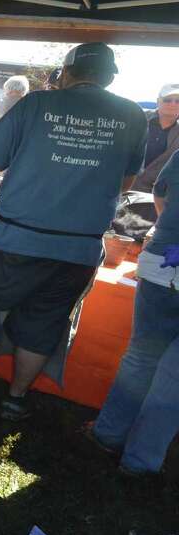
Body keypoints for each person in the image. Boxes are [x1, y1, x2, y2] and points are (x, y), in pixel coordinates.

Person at [0, 43, 147, 420]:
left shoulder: (36, 104)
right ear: (110, 76)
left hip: (17, 238)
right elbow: (126, 180)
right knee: (45, 321)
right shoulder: (133, 115)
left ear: (65, 73)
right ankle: (17, 400)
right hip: (79, 250)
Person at [86, 148, 179, 476]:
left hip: (164, 259)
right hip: (166, 260)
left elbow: (161, 193)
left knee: (142, 356)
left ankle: (108, 434)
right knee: (173, 374)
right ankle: (138, 461)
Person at [130, 83, 179, 192]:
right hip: (120, 188)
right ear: (158, 101)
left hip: (154, 196)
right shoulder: (135, 118)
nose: (173, 104)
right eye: (167, 99)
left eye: (178, 101)